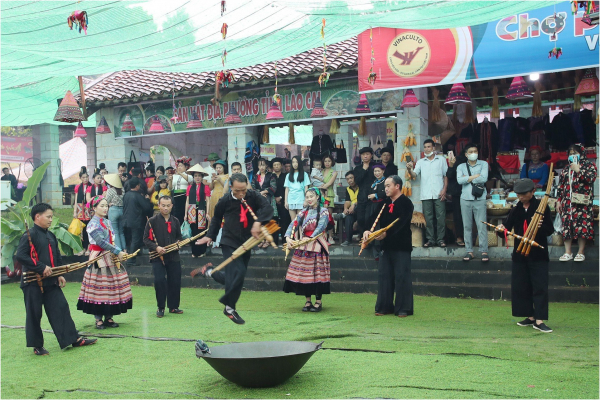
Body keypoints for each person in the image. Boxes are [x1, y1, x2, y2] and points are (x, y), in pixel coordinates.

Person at [16, 203, 97, 355]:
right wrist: (41, 267)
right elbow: (21, 256)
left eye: (51, 217)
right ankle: (37, 346)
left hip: (50, 281)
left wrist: (59, 273)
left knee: (61, 307)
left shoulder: (50, 235)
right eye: (48, 217)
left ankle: (72, 339)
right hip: (32, 282)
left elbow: (57, 257)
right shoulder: (30, 234)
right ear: (37, 217)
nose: (50, 220)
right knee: (34, 314)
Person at [195, 174, 273, 324]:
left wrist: (258, 222)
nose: (241, 194)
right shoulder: (225, 200)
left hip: (247, 242)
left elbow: (266, 207)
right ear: (231, 187)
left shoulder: (253, 196)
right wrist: (210, 235)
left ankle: (211, 271)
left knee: (237, 275)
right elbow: (217, 218)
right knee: (238, 272)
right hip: (229, 241)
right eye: (238, 190)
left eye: (244, 190)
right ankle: (229, 308)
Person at [495, 179, 554, 333]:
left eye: (523, 194)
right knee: (522, 286)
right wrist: (500, 229)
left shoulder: (541, 207)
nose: (520, 197)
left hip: (538, 254)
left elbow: (550, 230)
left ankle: (539, 319)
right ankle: (530, 316)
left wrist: (541, 226)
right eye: (518, 194)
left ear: (532, 192)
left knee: (539, 286)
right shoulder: (516, 209)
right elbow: (506, 228)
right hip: (520, 254)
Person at [77, 196, 132, 329]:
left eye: (106, 206)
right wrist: (118, 251)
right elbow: (101, 242)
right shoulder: (92, 224)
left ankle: (109, 317)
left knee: (111, 286)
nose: (105, 208)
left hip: (110, 257)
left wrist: (117, 252)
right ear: (94, 208)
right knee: (99, 287)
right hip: (98, 258)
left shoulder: (107, 222)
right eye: (101, 206)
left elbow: (111, 240)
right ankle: (98, 319)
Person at [363, 176, 414, 317]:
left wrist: (386, 233)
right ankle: (384, 307)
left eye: (388, 185)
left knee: (402, 276)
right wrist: (368, 230)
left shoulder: (406, 203)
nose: (385, 188)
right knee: (384, 275)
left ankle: (404, 308)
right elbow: (373, 217)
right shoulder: (384, 203)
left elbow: (402, 223)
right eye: (385, 186)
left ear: (397, 186)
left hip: (401, 245)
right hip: (386, 246)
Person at [283, 188, 331, 312]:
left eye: (312, 196)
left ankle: (318, 301)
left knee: (316, 273)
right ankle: (308, 300)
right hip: (304, 244)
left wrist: (309, 239)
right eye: (307, 197)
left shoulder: (324, 211)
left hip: (317, 243)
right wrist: (288, 237)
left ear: (318, 197)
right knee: (304, 273)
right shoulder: (303, 212)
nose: (309, 199)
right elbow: (293, 224)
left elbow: (320, 227)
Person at [144, 196, 184, 317]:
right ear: (159, 205)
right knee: (160, 281)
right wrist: (156, 247)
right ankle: (160, 307)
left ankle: (173, 306)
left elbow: (179, 237)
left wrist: (178, 244)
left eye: (168, 205)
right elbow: (145, 239)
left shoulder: (176, 220)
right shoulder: (152, 221)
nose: (165, 208)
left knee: (175, 281)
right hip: (157, 256)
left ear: (172, 206)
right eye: (163, 205)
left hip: (173, 256)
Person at [557, 143, 597, 262]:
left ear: (582, 154)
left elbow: (591, 179)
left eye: (575, 153)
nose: (572, 156)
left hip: (582, 202)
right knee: (567, 226)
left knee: (582, 226)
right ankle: (567, 252)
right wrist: (559, 201)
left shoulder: (589, 166)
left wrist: (578, 170)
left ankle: (581, 252)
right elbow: (561, 186)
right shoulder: (566, 169)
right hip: (567, 202)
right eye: (571, 154)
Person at [407, 139, 448, 248]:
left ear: (434, 148)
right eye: (425, 147)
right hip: (426, 194)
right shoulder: (421, 162)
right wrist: (409, 169)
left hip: (439, 193)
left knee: (440, 217)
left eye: (429, 147)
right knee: (428, 218)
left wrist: (444, 190)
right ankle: (430, 239)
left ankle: (440, 239)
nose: (426, 149)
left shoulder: (441, 160)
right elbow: (414, 175)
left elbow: (445, 176)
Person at [456, 143, 489, 262]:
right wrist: (476, 176)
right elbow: (459, 180)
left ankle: (484, 250)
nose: (473, 153)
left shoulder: (484, 164)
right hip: (465, 198)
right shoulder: (460, 167)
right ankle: (469, 251)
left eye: (475, 151)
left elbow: (484, 178)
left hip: (480, 198)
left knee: (481, 225)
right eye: (470, 152)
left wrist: (468, 178)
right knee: (467, 226)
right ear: (466, 154)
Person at [123, 177, 153, 266]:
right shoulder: (138, 195)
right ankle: (131, 260)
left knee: (133, 239)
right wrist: (147, 199)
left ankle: (137, 252)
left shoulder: (126, 194)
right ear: (137, 186)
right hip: (136, 220)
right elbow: (146, 207)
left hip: (126, 220)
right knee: (135, 239)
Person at [185, 164, 211, 258]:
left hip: (201, 210)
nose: (197, 178)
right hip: (191, 210)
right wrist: (185, 214)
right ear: (193, 177)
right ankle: (194, 251)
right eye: (195, 176)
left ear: (202, 177)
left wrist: (207, 212)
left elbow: (207, 201)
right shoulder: (190, 187)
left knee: (202, 230)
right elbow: (187, 201)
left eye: (199, 176)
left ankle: (202, 251)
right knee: (193, 230)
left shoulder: (205, 187)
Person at [252, 158, 277, 248]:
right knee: (260, 220)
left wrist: (263, 192)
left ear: (266, 165)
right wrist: (260, 194)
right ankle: (261, 239)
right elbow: (253, 188)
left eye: (263, 165)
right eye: (259, 165)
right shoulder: (255, 176)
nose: (261, 167)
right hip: (259, 201)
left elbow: (273, 187)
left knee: (268, 219)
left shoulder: (271, 175)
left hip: (268, 199)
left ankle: (268, 240)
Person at [446, 150, 467, 247]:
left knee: (467, 216)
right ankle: (459, 237)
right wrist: (451, 165)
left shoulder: (476, 163)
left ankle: (467, 237)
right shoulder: (457, 161)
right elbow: (449, 175)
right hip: (457, 193)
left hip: (469, 193)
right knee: (458, 216)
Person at [353, 147, 376, 235]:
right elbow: (357, 181)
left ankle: (371, 237)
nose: (365, 156)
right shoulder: (357, 168)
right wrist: (364, 169)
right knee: (361, 218)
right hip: (362, 195)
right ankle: (362, 236)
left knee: (369, 217)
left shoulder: (375, 167)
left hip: (373, 195)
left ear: (371, 155)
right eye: (363, 155)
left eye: (367, 154)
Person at [104, 173, 127, 251]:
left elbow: (106, 201)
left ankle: (119, 250)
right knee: (121, 232)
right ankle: (125, 249)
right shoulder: (123, 190)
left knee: (115, 232)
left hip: (113, 210)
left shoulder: (110, 190)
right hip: (122, 211)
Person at [285, 155, 310, 222]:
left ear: (299, 163)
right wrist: (286, 201)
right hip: (291, 200)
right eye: (293, 162)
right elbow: (287, 189)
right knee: (293, 222)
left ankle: (301, 233)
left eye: (296, 162)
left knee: (301, 221)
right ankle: (295, 233)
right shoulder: (288, 175)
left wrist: (306, 200)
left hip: (300, 199)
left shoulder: (304, 174)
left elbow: (306, 188)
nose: (295, 164)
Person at [168, 156, 193, 224]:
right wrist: (170, 181)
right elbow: (170, 188)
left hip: (185, 196)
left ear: (186, 167)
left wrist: (180, 174)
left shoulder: (189, 175)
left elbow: (190, 180)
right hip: (176, 196)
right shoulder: (174, 176)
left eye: (181, 166)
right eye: (178, 166)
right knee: (176, 213)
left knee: (183, 213)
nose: (179, 167)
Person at [272, 158, 289, 246]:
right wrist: (274, 198)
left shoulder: (286, 176)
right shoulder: (270, 176)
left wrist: (281, 197)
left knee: (284, 221)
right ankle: (274, 241)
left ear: (281, 165)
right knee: (274, 221)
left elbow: (286, 188)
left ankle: (284, 240)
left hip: (283, 201)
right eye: (274, 165)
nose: (276, 166)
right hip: (272, 202)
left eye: (278, 164)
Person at [321, 155, 338, 245]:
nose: (327, 163)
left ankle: (330, 236)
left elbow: (329, 183)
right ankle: (323, 236)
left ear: (332, 162)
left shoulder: (334, 172)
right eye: (325, 161)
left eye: (329, 161)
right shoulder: (321, 171)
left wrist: (320, 186)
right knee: (321, 217)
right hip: (320, 195)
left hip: (329, 195)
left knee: (329, 217)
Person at [73, 167, 91, 256]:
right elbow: (76, 200)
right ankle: (82, 248)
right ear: (80, 178)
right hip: (80, 210)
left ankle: (88, 247)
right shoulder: (78, 187)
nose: (85, 179)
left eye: (87, 177)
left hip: (88, 210)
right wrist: (75, 211)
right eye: (83, 177)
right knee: (81, 230)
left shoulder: (91, 186)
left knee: (88, 229)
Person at [341, 171, 359, 246]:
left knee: (357, 208)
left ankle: (342, 215)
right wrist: (345, 209)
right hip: (352, 210)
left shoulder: (361, 186)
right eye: (347, 179)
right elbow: (347, 201)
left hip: (360, 208)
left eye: (351, 178)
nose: (350, 181)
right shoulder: (348, 189)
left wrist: (354, 205)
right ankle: (348, 240)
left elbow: (362, 199)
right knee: (348, 217)